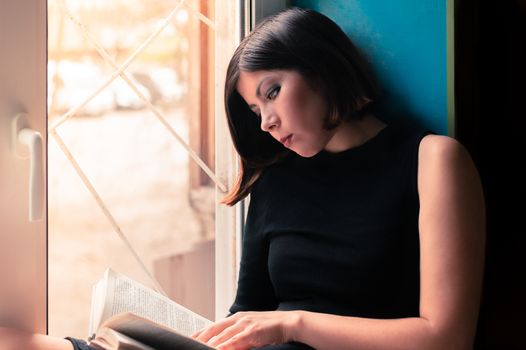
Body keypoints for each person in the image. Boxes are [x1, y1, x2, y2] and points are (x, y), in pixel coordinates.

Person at [0, 6, 485, 350]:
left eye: (272, 92)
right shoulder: (276, 178)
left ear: (323, 68)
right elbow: (247, 311)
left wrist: (291, 325)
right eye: (255, 109)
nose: (266, 122)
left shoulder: (432, 160)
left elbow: (444, 337)